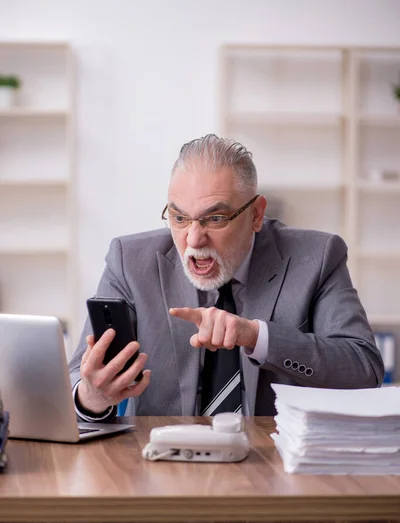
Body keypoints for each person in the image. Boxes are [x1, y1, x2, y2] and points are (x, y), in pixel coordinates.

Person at [69, 134, 384, 421]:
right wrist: (91, 397)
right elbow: (79, 377)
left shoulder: (317, 257)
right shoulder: (130, 260)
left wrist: (256, 336)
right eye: (179, 218)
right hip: (163, 466)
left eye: (215, 218)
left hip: (276, 466)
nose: (193, 239)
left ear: (256, 215)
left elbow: (363, 367)